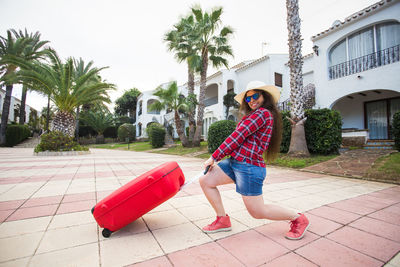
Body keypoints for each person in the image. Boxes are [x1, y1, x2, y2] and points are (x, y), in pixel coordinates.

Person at [199, 80, 310, 240]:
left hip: (249, 167)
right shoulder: (253, 115)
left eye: (255, 96)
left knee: (257, 212)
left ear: (265, 96)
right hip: (235, 162)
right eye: (248, 98)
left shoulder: (263, 114)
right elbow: (240, 139)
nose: (252, 100)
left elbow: (238, 136)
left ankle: (298, 218)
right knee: (206, 181)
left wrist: (214, 157)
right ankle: (222, 220)